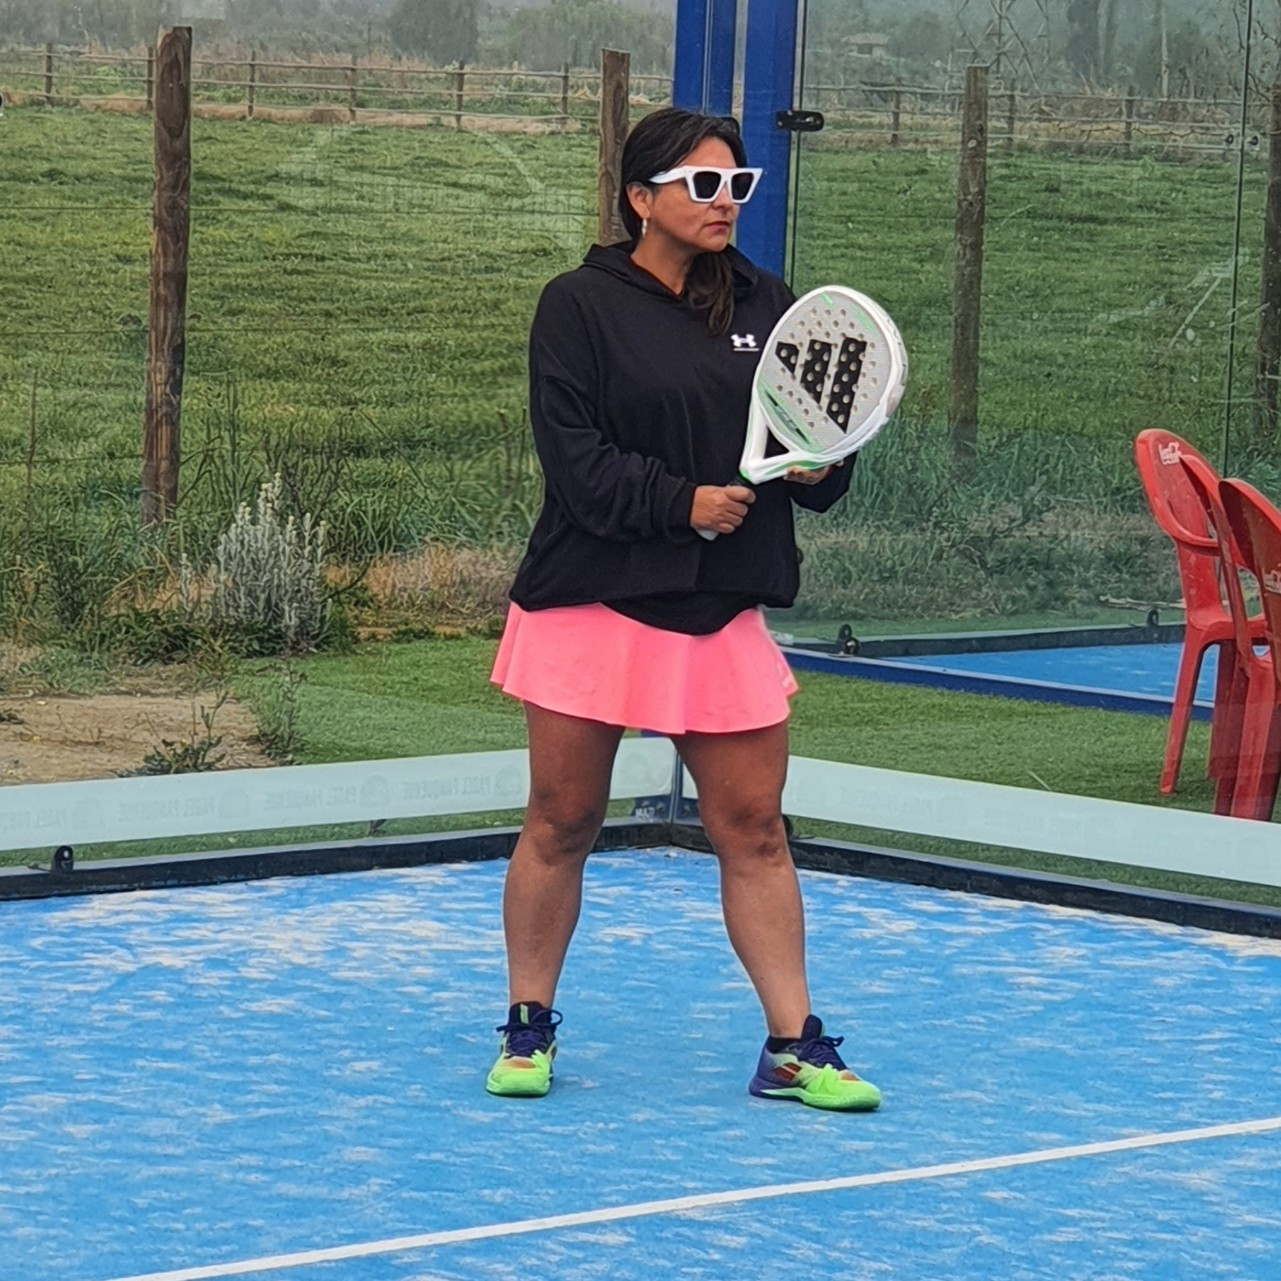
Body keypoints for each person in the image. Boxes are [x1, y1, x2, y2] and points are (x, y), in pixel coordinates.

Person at [486, 107, 881, 1112]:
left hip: (721, 608)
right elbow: (576, 464)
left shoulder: (770, 304)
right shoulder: (576, 306)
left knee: (755, 830)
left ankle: (792, 1048)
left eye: (736, 186)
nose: (724, 203)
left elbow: (817, 455)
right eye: (703, 185)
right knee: (562, 821)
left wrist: (819, 465)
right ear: (640, 198)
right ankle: (527, 1025)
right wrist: (681, 504)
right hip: (591, 600)